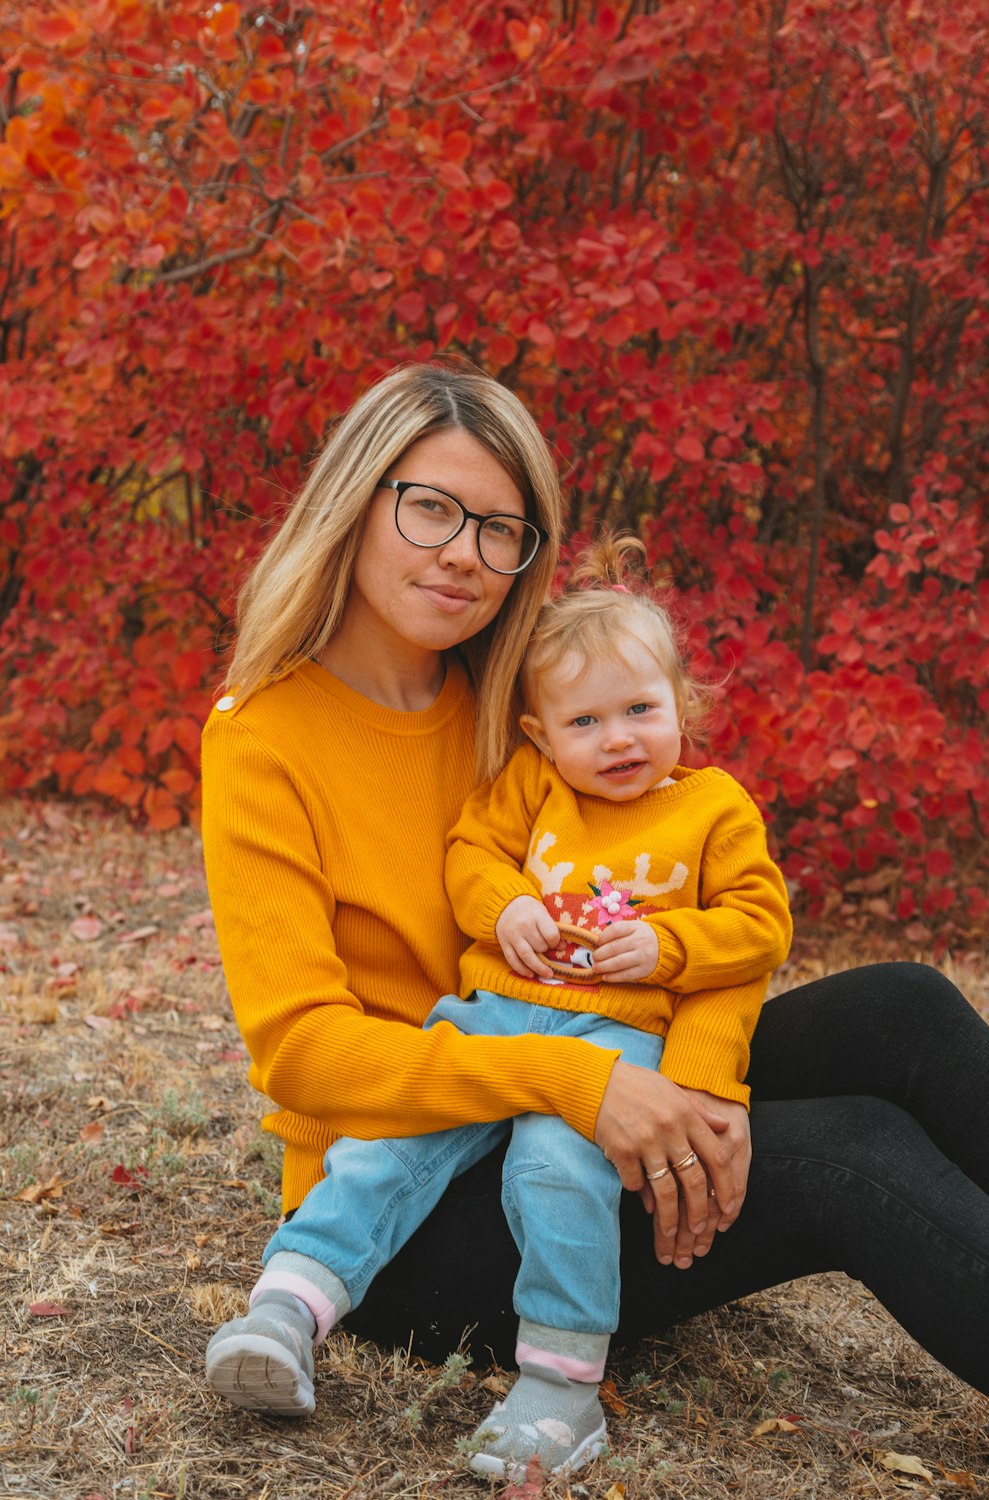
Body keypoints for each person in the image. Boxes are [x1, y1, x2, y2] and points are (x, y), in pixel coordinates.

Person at [200, 360, 989, 1475]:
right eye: (429, 506)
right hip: (412, 1206)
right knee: (850, 1158)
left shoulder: (527, 704)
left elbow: (702, 902)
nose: (464, 554)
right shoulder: (262, 738)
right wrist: (584, 1085)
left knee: (902, 1006)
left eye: (501, 528)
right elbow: (301, 1053)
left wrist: (702, 1087)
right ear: (355, 498)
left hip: (593, 1077)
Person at [205, 530, 793, 1477]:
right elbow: (470, 857)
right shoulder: (528, 786)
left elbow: (761, 925)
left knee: (560, 1170)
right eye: (587, 723)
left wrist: (672, 947)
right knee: (387, 1148)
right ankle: (289, 1306)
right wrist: (508, 903)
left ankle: (561, 1387)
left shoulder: (713, 808)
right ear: (541, 735)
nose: (619, 740)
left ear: (684, 708)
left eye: (642, 711)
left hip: (617, 1031)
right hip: (498, 1022)